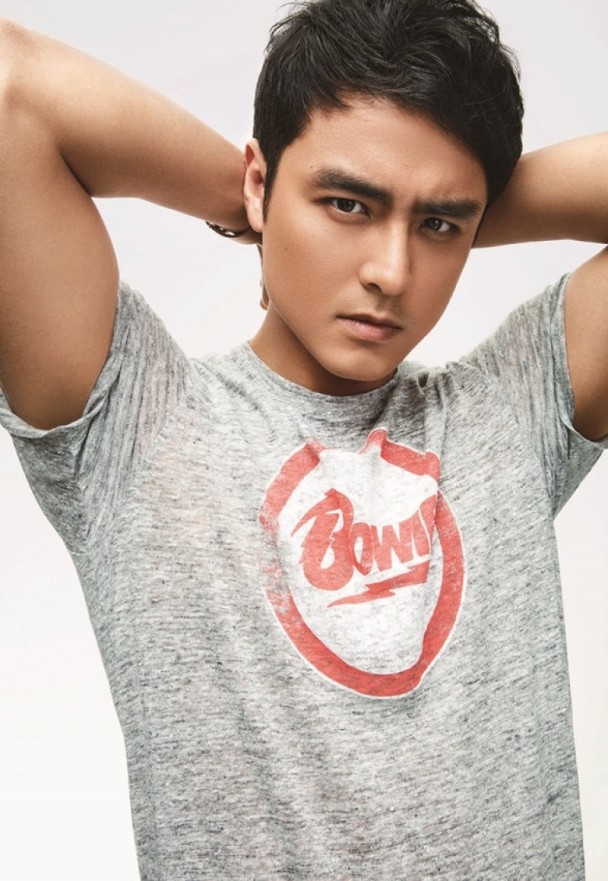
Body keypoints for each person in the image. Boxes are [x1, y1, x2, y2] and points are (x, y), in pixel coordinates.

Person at [0, 1, 606, 879]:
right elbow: (11, 81)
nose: (391, 272)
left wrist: (445, 205)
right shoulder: (135, 427)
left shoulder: (511, 409)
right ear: (261, 183)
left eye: (438, 227)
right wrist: (256, 198)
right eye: (347, 203)